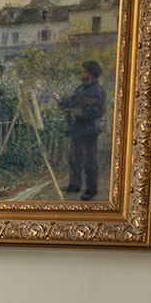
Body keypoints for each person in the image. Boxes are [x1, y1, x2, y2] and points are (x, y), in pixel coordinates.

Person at [57, 58, 106, 201]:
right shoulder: (80, 88)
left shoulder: (98, 91)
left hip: (89, 130)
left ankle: (91, 190)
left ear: (91, 74)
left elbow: (99, 111)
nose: (82, 73)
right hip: (77, 130)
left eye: (84, 71)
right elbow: (72, 102)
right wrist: (60, 101)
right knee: (73, 159)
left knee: (89, 162)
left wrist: (81, 113)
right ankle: (74, 185)